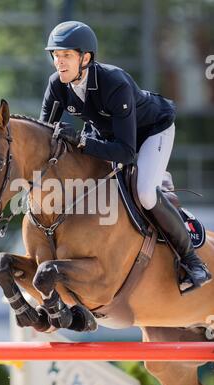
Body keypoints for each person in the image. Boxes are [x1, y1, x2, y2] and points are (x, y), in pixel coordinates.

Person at [40, 21, 212, 294]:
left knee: (144, 193)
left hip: (152, 132)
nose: (59, 63)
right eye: (56, 56)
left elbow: (126, 152)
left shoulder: (113, 83)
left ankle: (192, 261)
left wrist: (82, 140)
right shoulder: (57, 85)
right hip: (110, 135)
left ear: (86, 58)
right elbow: (44, 136)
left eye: (66, 56)